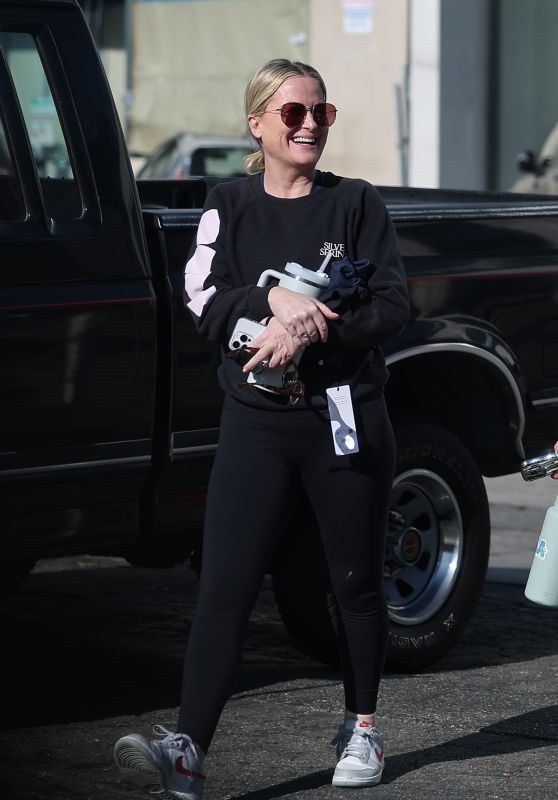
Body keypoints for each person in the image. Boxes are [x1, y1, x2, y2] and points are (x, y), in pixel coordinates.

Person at [113, 58, 410, 799]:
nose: (310, 125)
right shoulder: (229, 202)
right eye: (293, 114)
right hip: (257, 423)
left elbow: (394, 307)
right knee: (225, 586)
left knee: (354, 584)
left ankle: (363, 730)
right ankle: (188, 747)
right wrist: (273, 299)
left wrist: (312, 330)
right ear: (258, 124)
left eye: (322, 113)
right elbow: (199, 294)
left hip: (342, 416)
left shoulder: (357, 204)